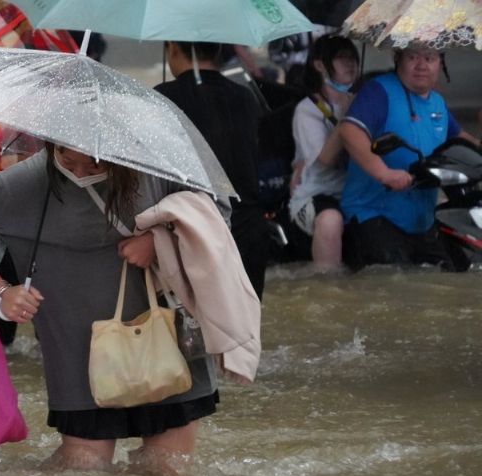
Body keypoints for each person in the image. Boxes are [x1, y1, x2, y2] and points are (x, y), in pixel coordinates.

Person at [0, 143, 231, 476]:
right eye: (67, 161)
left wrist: (160, 239)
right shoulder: (28, 181)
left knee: (169, 471)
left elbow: (215, 214)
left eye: (94, 165)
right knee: (81, 472)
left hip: (165, 337)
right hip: (77, 345)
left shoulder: (157, 164)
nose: (78, 173)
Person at [338, 44, 480, 270]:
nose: (421, 65)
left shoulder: (437, 103)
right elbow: (349, 131)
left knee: (449, 281)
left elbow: (460, 141)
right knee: (394, 287)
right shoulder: (378, 91)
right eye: (413, 57)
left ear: (440, 62)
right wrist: (384, 173)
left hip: (422, 221)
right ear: (398, 59)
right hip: (373, 214)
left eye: (430, 57)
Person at [155, 41, 271, 299]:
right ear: (219, 50)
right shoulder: (245, 96)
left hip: (192, 232)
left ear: (172, 48)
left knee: (188, 330)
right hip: (249, 232)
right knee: (244, 332)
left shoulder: (162, 99)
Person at [288, 34, 360, 269]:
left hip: (360, 190)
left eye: (352, 58)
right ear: (319, 64)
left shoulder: (364, 100)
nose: (349, 64)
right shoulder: (307, 110)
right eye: (340, 58)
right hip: (320, 193)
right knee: (330, 221)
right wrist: (346, 119)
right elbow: (326, 158)